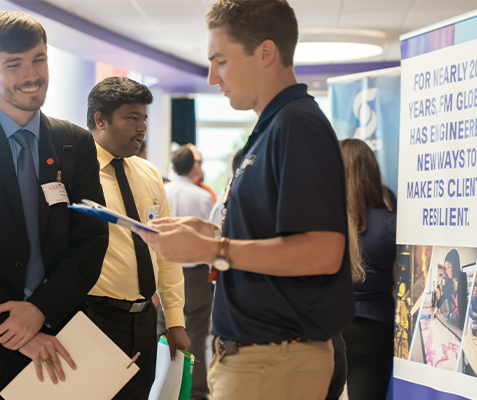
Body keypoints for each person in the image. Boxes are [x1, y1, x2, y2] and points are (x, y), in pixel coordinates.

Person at [132, 1, 356, 399]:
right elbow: (279, 233)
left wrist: (213, 247)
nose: (212, 77)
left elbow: (322, 251)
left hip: (275, 362)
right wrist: (213, 232)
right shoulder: (273, 128)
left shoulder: (297, 126)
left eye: (220, 61)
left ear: (265, 53)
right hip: (258, 359)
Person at [0, 10, 108, 399]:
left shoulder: (73, 143)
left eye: (39, 59)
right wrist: (14, 327)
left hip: (60, 336)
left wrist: (40, 310)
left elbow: (92, 240)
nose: (32, 75)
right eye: (14, 64)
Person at [85, 76, 189, 399]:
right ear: (100, 119)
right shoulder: (77, 172)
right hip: (93, 318)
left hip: (144, 321)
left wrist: (175, 320)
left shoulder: (148, 174)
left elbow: (166, 250)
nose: (142, 127)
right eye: (132, 118)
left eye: (144, 118)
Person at [339, 138, 396, 400]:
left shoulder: (322, 224)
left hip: (329, 325)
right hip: (375, 329)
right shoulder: (391, 225)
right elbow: (401, 281)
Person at [164, 145, 215, 400]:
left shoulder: (162, 190)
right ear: (194, 167)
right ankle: (195, 392)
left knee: (163, 332)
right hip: (195, 273)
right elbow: (211, 235)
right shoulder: (203, 196)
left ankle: (164, 387)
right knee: (195, 331)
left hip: (165, 270)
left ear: (172, 168)